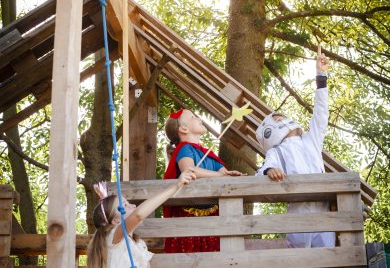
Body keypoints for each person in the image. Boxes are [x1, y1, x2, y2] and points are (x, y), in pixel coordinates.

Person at [255, 45, 335, 248]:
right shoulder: (277, 151)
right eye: (279, 117)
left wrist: (321, 76)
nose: (284, 118)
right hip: (298, 210)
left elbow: (321, 113)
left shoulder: (310, 140)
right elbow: (262, 170)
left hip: (323, 212)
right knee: (299, 256)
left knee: (327, 258)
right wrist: (269, 170)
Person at [163, 108, 242, 253]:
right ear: (183, 129)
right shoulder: (185, 149)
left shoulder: (208, 154)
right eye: (194, 117)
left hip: (212, 217)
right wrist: (220, 176)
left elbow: (222, 171)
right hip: (188, 218)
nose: (199, 119)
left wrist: (229, 175)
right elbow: (190, 170)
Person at [87, 171, 196, 268]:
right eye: (124, 205)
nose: (133, 206)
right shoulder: (111, 236)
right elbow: (138, 215)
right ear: (116, 221)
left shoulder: (138, 244)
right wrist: (176, 186)